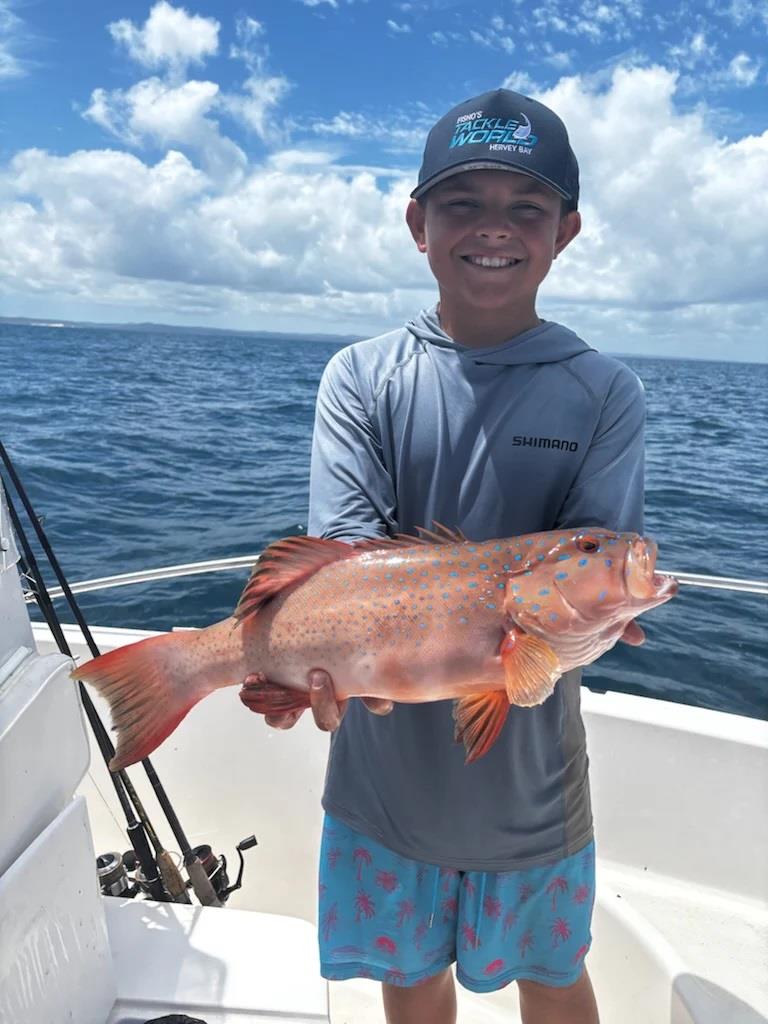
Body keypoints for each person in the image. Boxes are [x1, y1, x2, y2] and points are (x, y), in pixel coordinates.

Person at [249, 88, 646, 1024]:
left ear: (568, 230)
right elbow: (338, 566)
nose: (493, 230)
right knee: (411, 981)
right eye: (463, 203)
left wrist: (603, 609)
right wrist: (286, 657)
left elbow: (581, 597)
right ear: (418, 224)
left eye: (527, 208)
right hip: (382, 782)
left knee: (552, 975)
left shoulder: (603, 392)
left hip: (533, 794)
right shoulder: (361, 376)